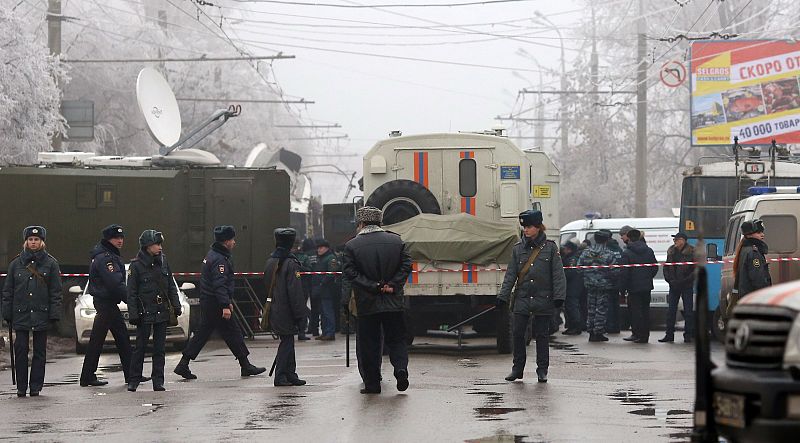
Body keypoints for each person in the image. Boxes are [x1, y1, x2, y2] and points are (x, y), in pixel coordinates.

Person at [174, 226, 266, 380]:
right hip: (215, 303)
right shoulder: (219, 260)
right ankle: (245, 365)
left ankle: (184, 364)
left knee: (204, 333)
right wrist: (225, 305)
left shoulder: (213, 255)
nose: (234, 242)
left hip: (211, 301)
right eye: (232, 239)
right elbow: (219, 284)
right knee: (232, 332)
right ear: (226, 241)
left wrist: (226, 302)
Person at [342, 206, 412, 394]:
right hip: (393, 302)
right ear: (380, 222)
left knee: (370, 344)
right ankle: (401, 369)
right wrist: (393, 285)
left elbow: (350, 273)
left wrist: (373, 286)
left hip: (367, 303)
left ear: (361, 223)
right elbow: (406, 265)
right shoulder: (396, 241)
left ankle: (373, 384)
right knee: (397, 340)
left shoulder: (352, 246)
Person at [497, 210, 566, 383]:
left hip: (544, 298)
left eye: (528, 227)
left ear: (538, 227)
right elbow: (511, 275)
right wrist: (503, 296)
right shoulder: (518, 249)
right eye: (524, 227)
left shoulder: (550, 248)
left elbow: (558, 275)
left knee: (542, 336)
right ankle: (517, 369)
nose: (525, 230)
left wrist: (559, 297)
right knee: (518, 334)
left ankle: (542, 370)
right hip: (522, 298)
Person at [2, 226, 62, 397]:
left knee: (40, 351)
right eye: (30, 240)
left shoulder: (51, 263)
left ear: (42, 242)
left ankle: (35, 385)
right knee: (20, 349)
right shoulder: (16, 264)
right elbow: (8, 291)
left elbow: (56, 292)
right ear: (26, 242)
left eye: (36, 240)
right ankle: (22, 386)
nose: (33, 242)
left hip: (41, 312)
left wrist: (54, 314)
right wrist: (7, 313)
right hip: (20, 313)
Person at [80, 224, 139, 387]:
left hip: (107, 303)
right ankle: (89, 376)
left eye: (121, 238)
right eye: (116, 238)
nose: (120, 241)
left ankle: (131, 374)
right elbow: (115, 283)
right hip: (105, 303)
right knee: (106, 340)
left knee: (118, 339)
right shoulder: (106, 258)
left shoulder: (107, 254)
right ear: (108, 240)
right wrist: (131, 300)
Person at [126, 230, 180, 392]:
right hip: (145, 312)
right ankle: (134, 379)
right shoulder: (136, 266)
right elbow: (131, 293)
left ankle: (158, 380)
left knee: (159, 349)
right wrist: (133, 314)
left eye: (160, 244)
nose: (160, 247)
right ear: (147, 246)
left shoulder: (163, 262)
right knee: (140, 348)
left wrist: (176, 305)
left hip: (161, 310)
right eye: (157, 244)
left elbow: (171, 285)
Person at [264, 228, 307, 387]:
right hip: (286, 309)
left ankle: (290, 374)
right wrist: (300, 314)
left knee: (287, 340)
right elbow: (295, 292)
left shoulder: (270, 261)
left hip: (275, 307)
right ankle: (281, 375)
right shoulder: (290, 263)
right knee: (287, 341)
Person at [578, 229, 621, 342]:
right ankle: (598, 332)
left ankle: (591, 331)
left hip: (589, 285)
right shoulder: (609, 253)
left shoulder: (586, 252)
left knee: (591, 308)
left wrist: (588, 276)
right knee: (601, 309)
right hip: (604, 285)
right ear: (606, 240)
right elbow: (615, 271)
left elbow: (578, 268)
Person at [619, 229, 658, 344]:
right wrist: (647, 278)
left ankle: (637, 334)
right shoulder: (649, 251)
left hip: (633, 288)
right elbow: (654, 267)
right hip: (646, 287)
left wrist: (622, 289)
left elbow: (624, 272)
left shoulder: (626, 253)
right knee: (645, 311)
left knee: (635, 312)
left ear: (629, 238)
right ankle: (645, 335)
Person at [730, 219, 772, 314]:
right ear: (749, 235)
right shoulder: (753, 253)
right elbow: (758, 279)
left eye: (762, 232)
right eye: (758, 232)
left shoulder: (745, 249)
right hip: (755, 301)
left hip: (747, 300)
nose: (762, 235)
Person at [661, 232, 696, 343]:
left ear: (683, 240)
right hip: (674, 285)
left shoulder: (692, 251)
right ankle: (669, 335)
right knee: (671, 311)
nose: (675, 241)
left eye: (677, 239)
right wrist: (670, 280)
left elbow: (696, 269)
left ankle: (688, 335)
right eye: (674, 240)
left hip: (686, 285)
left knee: (688, 311)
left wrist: (685, 281)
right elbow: (666, 267)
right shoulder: (671, 251)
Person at [312, 239, 340, 341]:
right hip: (320, 289)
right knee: (322, 312)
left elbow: (332, 272)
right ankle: (324, 332)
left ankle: (330, 332)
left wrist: (323, 282)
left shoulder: (331, 258)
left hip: (327, 289)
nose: (318, 249)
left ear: (326, 248)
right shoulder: (321, 258)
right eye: (317, 247)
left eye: (321, 247)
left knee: (328, 311)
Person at [561, 240, 584, 335]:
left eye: (565, 249)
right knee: (569, 306)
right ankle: (571, 326)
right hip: (571, 285)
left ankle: (575, 326)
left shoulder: (572, 259)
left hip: (573, 286)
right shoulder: (569, 257)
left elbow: (570, 272)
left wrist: (561, 276)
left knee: (572, 306)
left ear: (569, 249)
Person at [296, 238, 317, 340]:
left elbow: (309, 270)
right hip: (295, 285)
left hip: (301, 285)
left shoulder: (303, 257)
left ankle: (301, 331)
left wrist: (300, 268)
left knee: (302, 308)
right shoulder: (288, 257)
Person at [605, 237, 624, 334]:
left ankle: (610, 326)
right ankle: (617, 326)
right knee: (616, 305)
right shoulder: (620, 250)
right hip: (618, 281)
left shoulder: (607, 251)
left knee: (609, 305)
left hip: (609, 281)